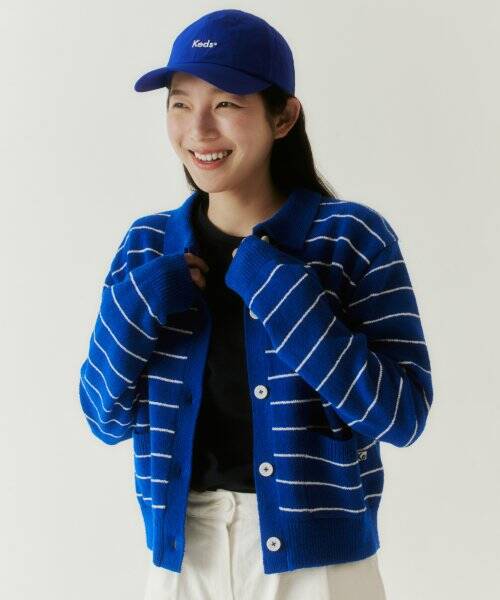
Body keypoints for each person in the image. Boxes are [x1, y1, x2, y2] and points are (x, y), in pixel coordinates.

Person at [79, 8, 433, 600]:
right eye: (180, 104)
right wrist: (141, 302)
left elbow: (402, 417)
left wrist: (286, 296)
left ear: (283, 116)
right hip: (183, 560)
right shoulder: (147, 247)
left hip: (319, 569)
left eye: (225, 104)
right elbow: (102, 416)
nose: (198, 130)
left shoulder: (351, 238)